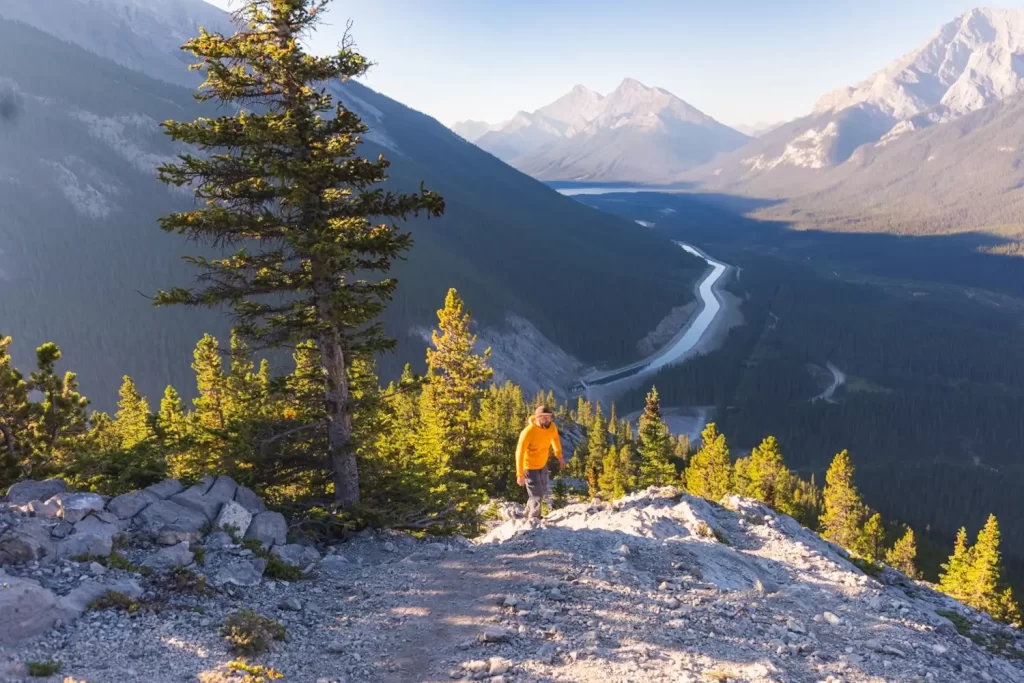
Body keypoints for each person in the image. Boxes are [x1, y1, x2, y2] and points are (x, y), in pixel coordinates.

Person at [515, 405, 564, 522]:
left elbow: (555, 439)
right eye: (544, 418)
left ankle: (527, 512)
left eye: (549, 417)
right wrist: (520, 474)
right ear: (537, 418)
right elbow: (519, 453)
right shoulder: (528, 432)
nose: (547, 420)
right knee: (538, 494)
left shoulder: (551, 427)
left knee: (542, 489)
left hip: (542, 464)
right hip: (529, 467)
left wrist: (559, 456)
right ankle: (534, 518)